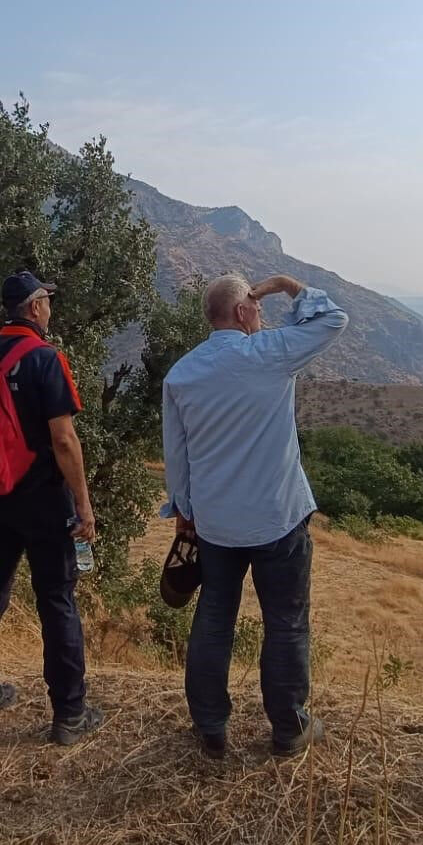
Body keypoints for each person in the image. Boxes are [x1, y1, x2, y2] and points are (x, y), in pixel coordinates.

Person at [161, 273, 349, 758]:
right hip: (278, 518)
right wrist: (287, 285)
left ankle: (210, 728)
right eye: (257, 308)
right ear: (243, 312)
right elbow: (333, 318)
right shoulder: (270, 354)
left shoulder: (181, 374)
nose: (261, 315)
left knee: (214, 618)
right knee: (285, 622)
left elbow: (176, 455)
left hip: (216, 524)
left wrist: (183, 510)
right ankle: (288, 729)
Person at [0, 270, 104, 745]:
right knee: (56, 599)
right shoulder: (46, 359)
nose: (49, 307)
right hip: (42, 499)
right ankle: (69, 715)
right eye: (47, 299)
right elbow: (63, 439)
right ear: (35, 306)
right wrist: (83, 505)